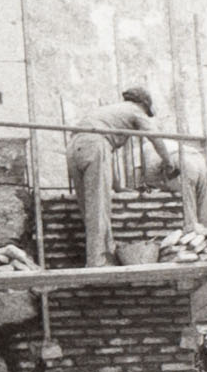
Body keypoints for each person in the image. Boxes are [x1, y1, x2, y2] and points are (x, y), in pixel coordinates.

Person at [66, 87, 178, 267]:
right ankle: (97, 262)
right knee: (98, 208)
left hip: (73, 147)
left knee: (88, 208)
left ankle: (101, 256)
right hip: (94, 145)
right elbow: (155, 137)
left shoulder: (109, 113)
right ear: (144, 104)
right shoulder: (135, 110)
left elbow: (106, 153)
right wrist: (168, 161)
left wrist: (117, 187)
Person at [145, 142, 207, 229]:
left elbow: (152, 177)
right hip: (199, 158)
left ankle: (192, 228)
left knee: (188, 199)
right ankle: (206, 228)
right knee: (203, 196)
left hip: (182, 159)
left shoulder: (144, 151)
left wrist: (161, 187)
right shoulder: (159, 144)